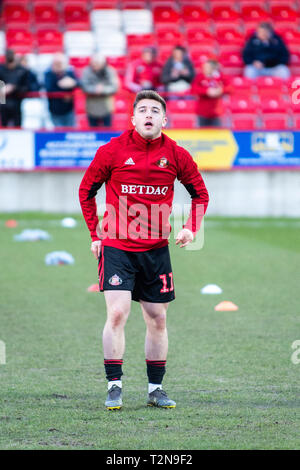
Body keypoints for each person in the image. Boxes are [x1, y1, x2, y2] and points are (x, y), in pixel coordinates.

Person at [79, 90, 209, 410]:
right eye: (142, 110)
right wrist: (95, 232)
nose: (148, 115)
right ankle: (114, 385)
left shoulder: (177, 155)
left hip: (155, 249)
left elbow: (200, 194)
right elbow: (86, 190)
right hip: (117, 245)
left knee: (157, 319)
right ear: (133, 118)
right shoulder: (112, 151)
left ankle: (155, 390)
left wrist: (191, 226)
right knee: (118, 312)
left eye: (155, 110)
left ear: (164, 120)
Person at [80, 54, 119, 128]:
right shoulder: (86, 71)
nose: (95, 66)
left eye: (97, 64)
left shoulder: (110, 71)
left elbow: (115, 87)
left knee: (108, 131)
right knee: (93, 131)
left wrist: (103, 89)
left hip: (107, 107)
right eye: (94, 64)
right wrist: (95, 89)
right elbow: (84, 86)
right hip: (91, 107)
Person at [193, 59, 230, 127]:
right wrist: (207, 91)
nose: (204, 69)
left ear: (213, 68)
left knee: (217, 135)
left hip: (216, 113)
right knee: (202, 135)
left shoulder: (220, 77)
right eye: (204, 67)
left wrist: (221, 90)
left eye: (207, 67)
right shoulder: (200, 77)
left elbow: (230, 88)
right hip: (202, 112)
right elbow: (194, 89)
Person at [44, 53, 79, 127]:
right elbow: (49, 89)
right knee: (58, 133)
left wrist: (73, 83)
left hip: (69, 109)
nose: (59, 65)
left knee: (70, 132)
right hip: (55, 110)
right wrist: (61, 86)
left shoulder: (69, 72)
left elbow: (78, 83)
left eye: (60, 63)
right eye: (57, 63)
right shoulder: (48, 74)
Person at [0, 49, 29, 127]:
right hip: (2, 104)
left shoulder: (22, 70)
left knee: (17, 126)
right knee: (3, 126)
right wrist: (3, 89)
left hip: (17, 102)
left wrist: (13, 88)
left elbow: (27, 86)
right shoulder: (1, 69)